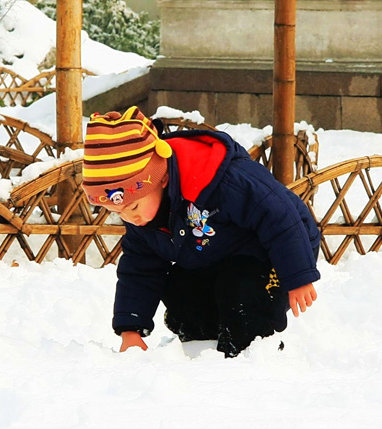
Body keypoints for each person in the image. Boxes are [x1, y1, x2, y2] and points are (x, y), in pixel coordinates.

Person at [81, 107, 321, 357]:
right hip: (212, 254)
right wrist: (130, 329)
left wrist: (298, 275)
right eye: (118, 212)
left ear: (161, 178)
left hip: (272, 253)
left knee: (245, 299)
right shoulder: (143, 217)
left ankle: (251, 353)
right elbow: (139, 268)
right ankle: (201, 349)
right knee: (181, 291)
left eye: (133, 206)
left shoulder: (222, 178)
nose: (130, 218)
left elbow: (279, 215)